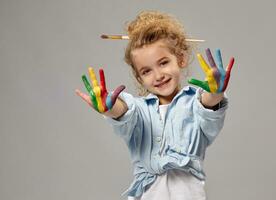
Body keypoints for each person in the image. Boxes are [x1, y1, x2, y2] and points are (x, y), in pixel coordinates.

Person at [76, 10, 234, 200]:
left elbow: (208, 105)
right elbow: (123, 111)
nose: (158, 75)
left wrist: (215, 92)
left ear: (181, 59)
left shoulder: (194, 103)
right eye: (146, 71)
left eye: (163, 62)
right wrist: (109, 108)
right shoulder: (140, 110)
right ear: (139, 78)